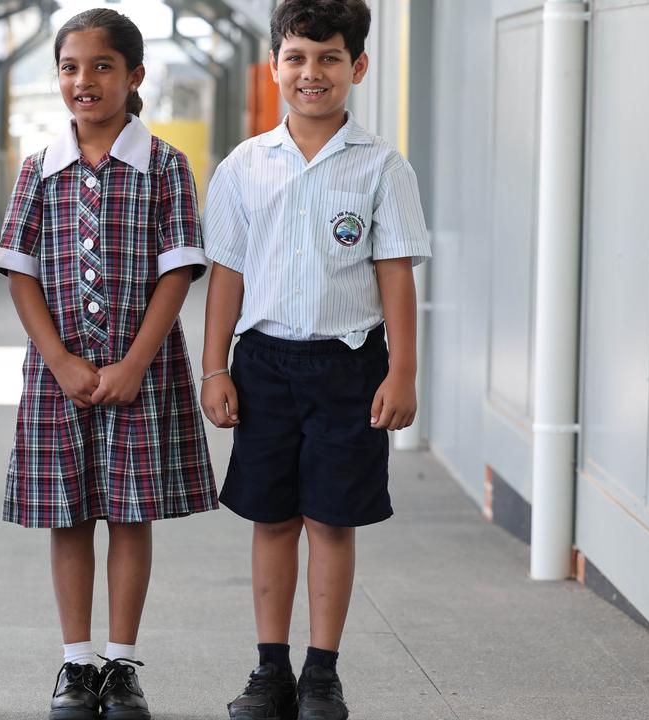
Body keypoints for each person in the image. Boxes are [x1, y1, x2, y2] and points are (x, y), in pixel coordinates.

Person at [199, 2, 431, 718]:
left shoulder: (381, 167)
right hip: (264, 364)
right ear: (275, 67)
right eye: (297, 57)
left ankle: (321, 671)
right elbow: (228, 275)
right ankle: (270, 669)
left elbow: (395, 273)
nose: (312, 73)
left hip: (350, 365)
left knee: (332, 519)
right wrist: (215, 366)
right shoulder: (245, 166)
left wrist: (403, 370)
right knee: (272, 519)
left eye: (329, 58)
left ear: (357, 67)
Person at [0, 9, 217, 720]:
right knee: (68, 515)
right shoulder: (39, 169)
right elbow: (20, 271)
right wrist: (57, 358)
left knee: (129, 515)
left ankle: (122, 665)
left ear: (134, 76)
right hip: (59, 380)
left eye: (101, 67)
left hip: (139, 376)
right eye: (69, 67)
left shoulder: (167, 166)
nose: (83, 81)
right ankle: (75, 664)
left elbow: (177, 274)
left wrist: (132, 364)